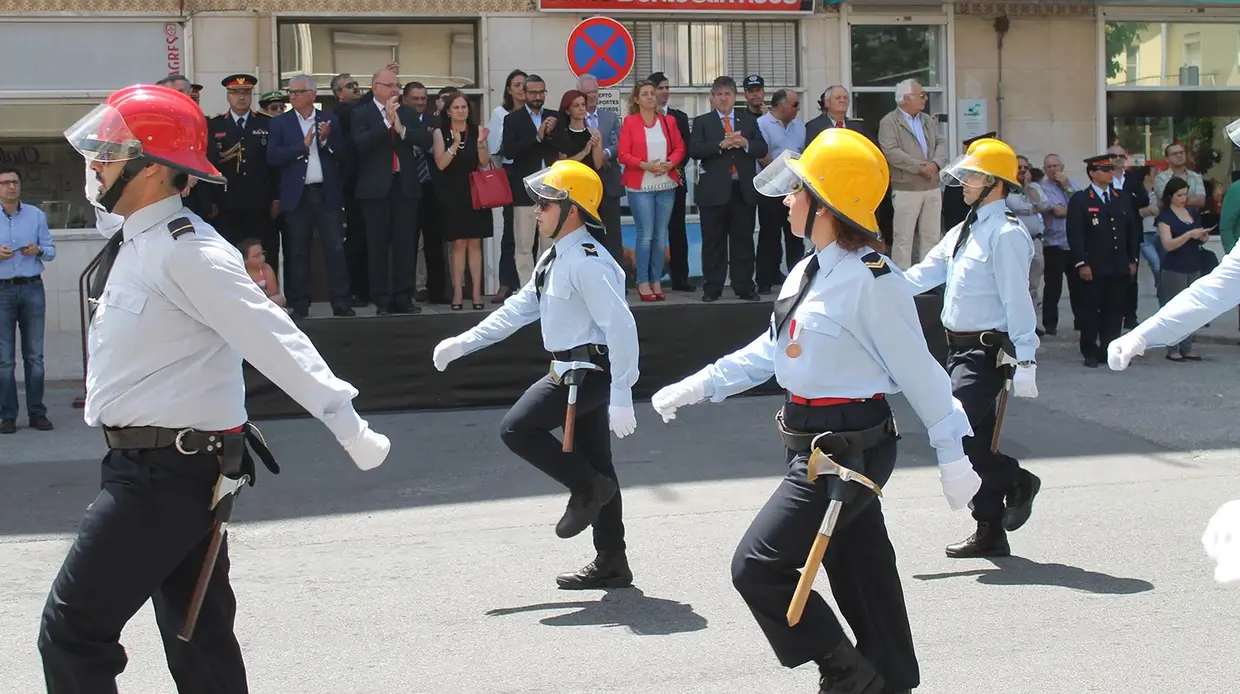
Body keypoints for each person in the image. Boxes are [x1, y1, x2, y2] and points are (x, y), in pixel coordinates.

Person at [39, 84, 391, 694]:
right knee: (197, 639)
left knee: (72, 631)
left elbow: (273, 337)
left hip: (164, 473)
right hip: (160, 465)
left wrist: (347, 423)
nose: (94, 164)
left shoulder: (189, 251)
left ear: (151, 169)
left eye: (109, 153)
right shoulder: (140, 239)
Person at [649, 128, 979, 694]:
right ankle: (891, 676)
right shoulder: (809, 270)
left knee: (758, 567)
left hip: (848, 447)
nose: (787, 200)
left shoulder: (873, 282)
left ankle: (845, 671)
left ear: (827, 201)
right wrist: (699, 385)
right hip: (810, 439)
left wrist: (953, 455)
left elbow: (922, 374)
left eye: (798, 191)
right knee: (861, 572)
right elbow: (772, 351)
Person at [431, 159, 639, 590]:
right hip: (569, 368)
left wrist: (622, 392)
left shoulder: (587, 262)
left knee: (517, 429)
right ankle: (612, 559)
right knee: (599, 463)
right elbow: (516, 311)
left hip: (588, 372)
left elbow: (622, 327)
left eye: (546, 204)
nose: (537, 211)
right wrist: (463, 343)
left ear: (573, 210)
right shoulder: (555, 257)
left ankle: (585, 488)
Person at [901, 136, 1042, 558]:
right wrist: (880, 287)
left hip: (985, 353)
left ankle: (1017, 481)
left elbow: (1018, 300)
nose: (964, 183)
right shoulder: (965, 229)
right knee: (977, 441)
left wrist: (1027, 357)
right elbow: (925, 273)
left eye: (973, 176)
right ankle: (990, 531)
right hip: (957, 351)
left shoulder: (1006, 233)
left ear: (996, 183)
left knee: (955, 434)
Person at [1067, 153, 1140, 368]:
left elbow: (1131, 231)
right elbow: (1076, 234)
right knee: (1090, 310)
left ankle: (1110, 348)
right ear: (1092, 173)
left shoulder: (1121, 197)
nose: (1111, 173)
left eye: (1112, 169)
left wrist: (1132, 259)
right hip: (1094, 265)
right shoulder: (1081, 199)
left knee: (1114, 310)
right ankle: (1090, 350)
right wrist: (1081, 262)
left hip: (1118, 264)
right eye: (1105, 170)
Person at [431, 92, 493, 311]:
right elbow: (441, 164)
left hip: (476, 190)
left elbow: (484, 163)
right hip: (453, 193)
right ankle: (457, 292)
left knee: (475, 242)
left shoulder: (477, 131)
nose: (460, 111)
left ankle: (476, 292)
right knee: (458, 243)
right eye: (456, 107)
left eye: (464, 107)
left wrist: (481, 144)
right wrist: (455, 144)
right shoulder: (441, 132)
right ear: (448, 111)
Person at [240, 237, 285, 307]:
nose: (262, 257)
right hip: (247, 302)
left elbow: (273, 292)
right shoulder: (241, 271)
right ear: (245, 260)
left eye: (262, 253)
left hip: (265, 300)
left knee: (279, 299)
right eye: (256, 256)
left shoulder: (266, 268)